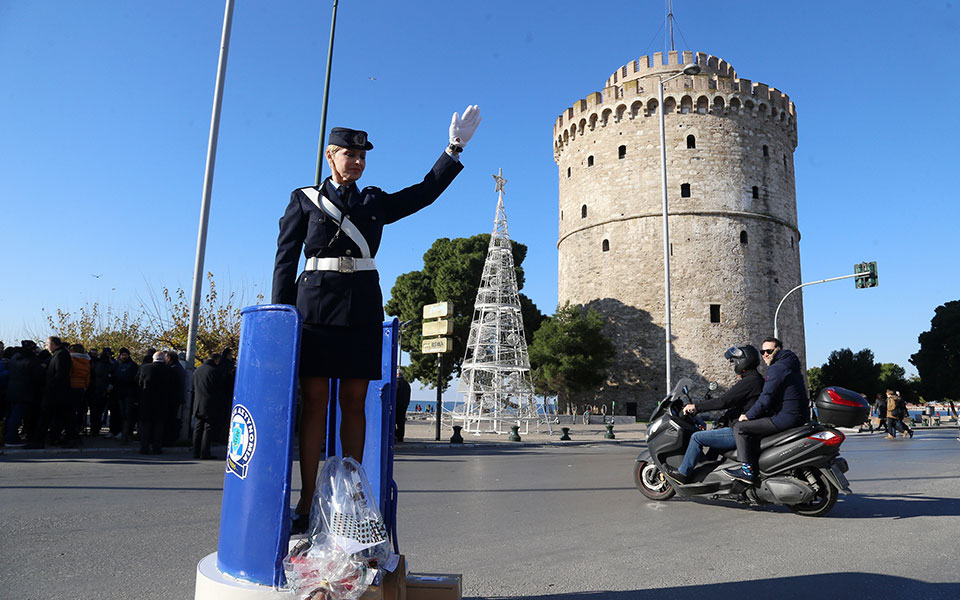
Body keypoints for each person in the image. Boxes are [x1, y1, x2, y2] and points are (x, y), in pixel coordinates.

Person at [272, 108, 481, 531]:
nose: (358, 161)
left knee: (354, 402)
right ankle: (308, 497)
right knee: (313, 403)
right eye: (349, 153)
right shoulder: (304, 199)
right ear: (331, 155)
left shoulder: (374, 201)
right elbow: (285, 258)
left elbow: (424, 192)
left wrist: (453, 148)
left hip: (362, 307)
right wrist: (282, 315)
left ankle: (351, 495)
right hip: (314, 309)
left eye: (363, 155)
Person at [662, 345, 764, 485]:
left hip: (739, 431)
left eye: (734, 361)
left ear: (743, 361)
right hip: (743, 428)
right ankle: (707, 469)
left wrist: (696, 407)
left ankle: (683, 473)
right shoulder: (755, 379)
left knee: (697, 437)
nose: (733, 365)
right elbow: (739, 405)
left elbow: (724, 401)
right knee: (714, 433)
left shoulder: (750, 381)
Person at [725, 337, 808, 485]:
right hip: (798, 415)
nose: (765, 355)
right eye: (762, 352)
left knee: (740, 427)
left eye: (769, 351)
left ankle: (747, 470)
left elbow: (766, 397)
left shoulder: (777, 368)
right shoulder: (792, 365)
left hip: (786, 418)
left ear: (778, 350)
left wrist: (748, 416)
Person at [137, 351, 172, 454]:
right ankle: (157, 447)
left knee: (145, 426)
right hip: (162, 402)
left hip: (147, 401)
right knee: (158, 427)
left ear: (154, 358)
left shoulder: (145, 368)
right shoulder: (168, 370)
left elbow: (139, 383)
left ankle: (144, 447)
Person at [192, 352, 224, 459]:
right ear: (217, 360)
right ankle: (204, 452)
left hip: (198, 403)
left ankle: (195, 451)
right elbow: (219, 389)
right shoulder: (215, 371)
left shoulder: (198, 370)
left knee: (198, 427)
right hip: (210, 403)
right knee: (208, 429)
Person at [113, 348, 139, 443]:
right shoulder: (116, 365)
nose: (124, 356)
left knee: (127, 415)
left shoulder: (133, 366)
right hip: (119, 393)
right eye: (122, 355)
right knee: (121, 414)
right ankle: (122, 432)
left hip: (129, 393)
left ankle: (126, 434)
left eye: (125, 355)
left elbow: (135, 380)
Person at [395, 368, 411, 443]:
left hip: (396, 404)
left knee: (394, 421)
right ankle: (400, 437)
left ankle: (395, 435)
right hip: (403, 405)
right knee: (401, 422)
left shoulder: (395, 382)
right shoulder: (407, 384)